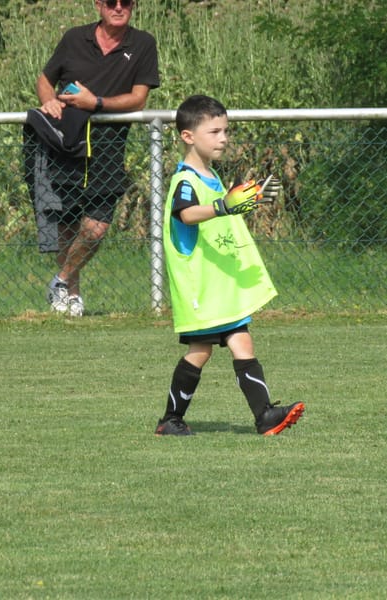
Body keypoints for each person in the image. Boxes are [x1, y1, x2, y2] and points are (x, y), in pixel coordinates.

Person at [155, 95, 305, 436]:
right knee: (200, 351)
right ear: (188, 136)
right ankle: (170, 420)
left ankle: (265, 416)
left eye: (226, 131)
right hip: (202, 290)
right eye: (215, 131)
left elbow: (221, 217)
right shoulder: (186, 180)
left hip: (222, 287)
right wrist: (224, 205)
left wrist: (241, 201)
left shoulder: (211, 176)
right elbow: (187, 214)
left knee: (242, 342)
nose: (223, 138)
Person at [35, 0, 159, 316]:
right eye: (111, 2)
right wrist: (49, 102)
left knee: (96, 228)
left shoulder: (143, 43)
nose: (119, 7)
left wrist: (96, 102)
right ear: (98, 5)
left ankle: (59, 281)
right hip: (67, 143)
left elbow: (138, 98)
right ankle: (71, 295)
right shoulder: (74, 37)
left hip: (108, 147)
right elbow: (45, 79)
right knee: (66, 223)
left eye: (126, 2)